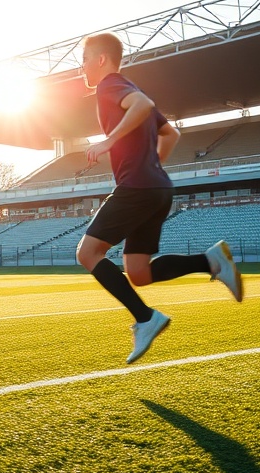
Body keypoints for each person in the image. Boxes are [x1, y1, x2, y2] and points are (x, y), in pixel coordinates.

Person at [75, 32, 243, 364]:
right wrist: (151, 165)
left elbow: (144, 107)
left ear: (101, 60)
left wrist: (109, 143)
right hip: (156, 187)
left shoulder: (111, 87)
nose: (81, 69)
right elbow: (171, 132)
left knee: (87, 252)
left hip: (138, 188)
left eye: (84, 60)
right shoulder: (129, 87)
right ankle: (210, 262)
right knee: (137, 272)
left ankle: (145, 318)